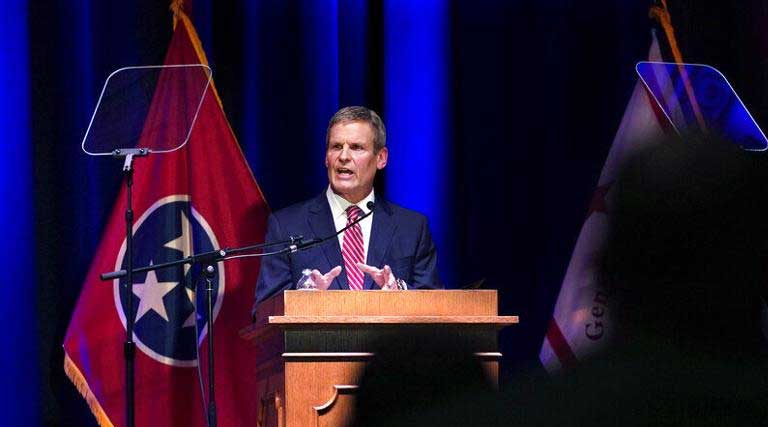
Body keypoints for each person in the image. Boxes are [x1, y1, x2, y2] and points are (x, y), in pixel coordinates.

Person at [254, 106, 441, 306]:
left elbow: (434, 306)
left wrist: (399, 291)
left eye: (356, 147)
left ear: (381, 158)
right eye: (336, 147)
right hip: (316, 338)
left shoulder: (412, 228)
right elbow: (264, 311)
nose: (343, 156)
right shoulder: (286, 226)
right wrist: (301, 302)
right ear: (326, 158)